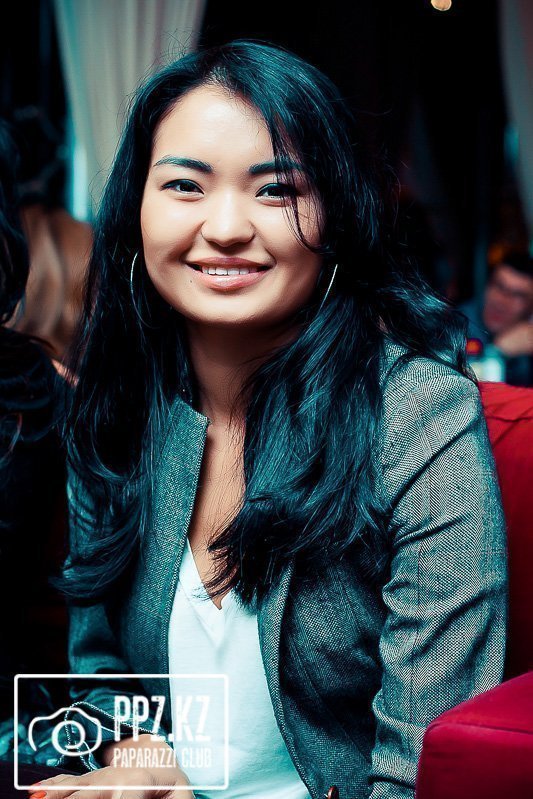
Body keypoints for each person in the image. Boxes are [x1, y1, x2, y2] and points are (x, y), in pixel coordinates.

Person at [36, 40, 507, 799]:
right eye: (184, 184)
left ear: (336, 214)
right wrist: (135, 749)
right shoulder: (118, 405)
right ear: (135, 210)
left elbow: (426, 761)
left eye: (276, 189)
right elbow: (100, 674)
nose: (226, 227)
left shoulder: (418, 413)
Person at [461, 252, 533, 386]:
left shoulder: (528, 333)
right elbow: (459, 387)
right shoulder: (455, 324)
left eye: (517, 295)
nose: (501, 301)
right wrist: (497, 352)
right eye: (499, 286)